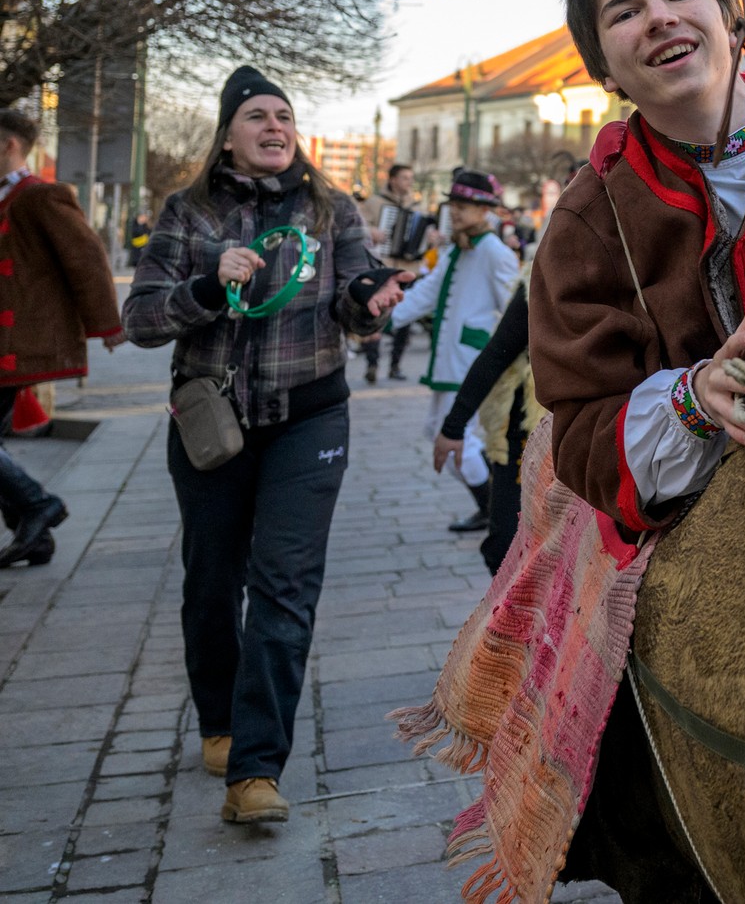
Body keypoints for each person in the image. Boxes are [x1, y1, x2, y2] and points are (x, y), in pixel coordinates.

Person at [124, 65, 413, 825]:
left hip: (309, 420)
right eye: (257, 114)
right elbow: (141, 320)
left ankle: (256, 769)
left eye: (284, 114)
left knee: (285, 585)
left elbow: (355, 301)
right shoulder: (188, 212)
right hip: (211, 426)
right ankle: (219, 718)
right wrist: (210, 287)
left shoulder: (330, 207)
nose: (275, 126)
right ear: (228, 133)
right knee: (212, 583)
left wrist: (370, 301)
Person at [530, 0, 745, 538]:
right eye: (626, 12)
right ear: (603, 70)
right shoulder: (588, 220)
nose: (660, 17)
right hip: (720, 530)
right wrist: (698, 398)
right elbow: (581, 440)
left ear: (731, 14)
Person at [0, 108, 125, 567]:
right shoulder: (6, 199)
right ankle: (33, 534)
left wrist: (107, 325)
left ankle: (36, 505)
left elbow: (87, 259)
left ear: (10, 145)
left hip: (21, 346)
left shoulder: (40, 196)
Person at [390, 168, 519, 532]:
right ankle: (495, 510)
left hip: (469, 362)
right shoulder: (454, 250)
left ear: (485, 210)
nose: (457, 212)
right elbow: (426, 294)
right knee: (439, 433)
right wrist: (384, 320)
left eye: (466, 205)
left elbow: (514, 311)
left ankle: (497, 512)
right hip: (448, 360)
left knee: (455, 440)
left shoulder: (495, 252)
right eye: (455, 204)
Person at [431, 272, 540, 575]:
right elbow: (497, 352)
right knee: (507, 543)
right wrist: (454, 427)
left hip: (595, 428)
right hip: (529, 428)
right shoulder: (543, 276)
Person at [357, 163, 430, 383]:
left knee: (405, 318)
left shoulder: (417, 206)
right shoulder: (374, 203)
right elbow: (356, 226)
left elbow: (423, 235)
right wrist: (370, 231)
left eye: (411, 178)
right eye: (405, 178)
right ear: (392, 180)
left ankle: (395, 365)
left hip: (408, 269)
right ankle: (372, 364)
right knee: (376, 314)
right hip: (383, 267)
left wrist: (430, 239)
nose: (409, 182)